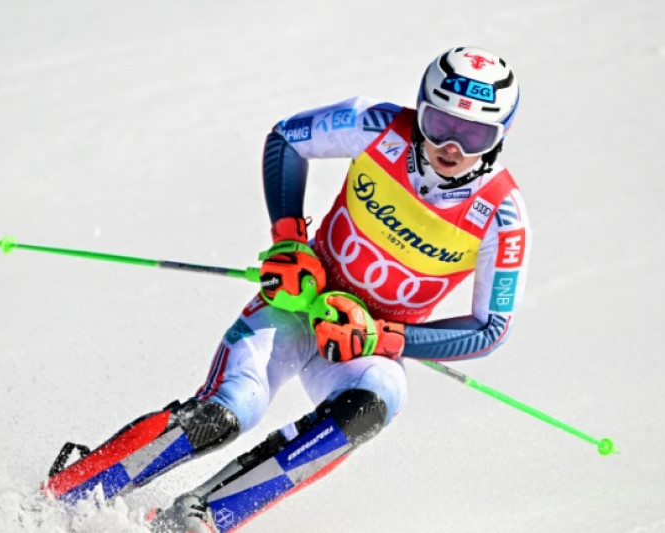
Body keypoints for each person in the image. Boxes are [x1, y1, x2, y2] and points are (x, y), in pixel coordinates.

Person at [41, 45, 531, 532]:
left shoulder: (502, 218)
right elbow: (286, 139)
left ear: (501, 135)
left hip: (361, 345)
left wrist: (384, 339)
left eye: (475, 134)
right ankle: (72, 491)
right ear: (420, 108)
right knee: (231, 410)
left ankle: (197, 516)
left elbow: (491, 328)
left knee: (379, 397)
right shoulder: (377, 126)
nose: (453, 147)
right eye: (440, 124)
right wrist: (289, 241)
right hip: (298, 305)